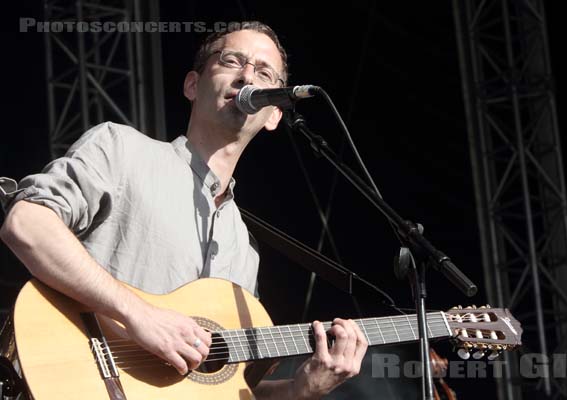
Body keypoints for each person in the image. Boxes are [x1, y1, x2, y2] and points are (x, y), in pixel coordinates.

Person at [0, 21, 368, 399]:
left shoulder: (245, 250)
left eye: (263, 73)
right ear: (192, 85)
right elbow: (27, 222)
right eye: (232, 61)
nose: (246, 77)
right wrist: (138, 315)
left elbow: (219, 389)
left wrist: (299, 390)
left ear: (274, 115)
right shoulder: (122, 148)